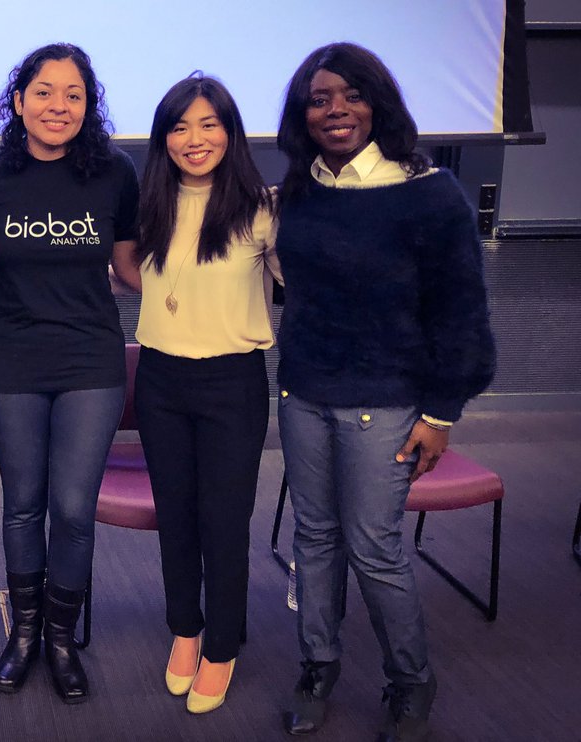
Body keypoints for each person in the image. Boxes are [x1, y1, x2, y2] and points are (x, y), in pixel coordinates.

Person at [273, 42, 496, 741]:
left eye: (352, 95)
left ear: (379, 103)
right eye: (319, 99)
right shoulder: (303, 188)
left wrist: (441, 413)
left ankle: (410, 681)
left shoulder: (427, 193)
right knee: (314, 539)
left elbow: (460, 314)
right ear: (302, 113)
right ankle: (319, 663)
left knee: (374, 546)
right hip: (304, 392)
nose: (335, 110)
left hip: (387, 402)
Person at [0, 42, 139, 704]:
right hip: (11, 358)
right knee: (21, 505)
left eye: (73, 94)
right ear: (18, 102)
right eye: (43, 92)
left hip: (91, 359)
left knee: (71, 508)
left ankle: (61, 641)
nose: (57, 105)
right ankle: (24, 635)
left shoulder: (114, 173)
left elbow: (129, 266)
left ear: (88, 105)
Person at [111, 74, 279, 715]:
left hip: (232, 383)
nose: (194, 139)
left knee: (223, 519)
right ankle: (185, 628)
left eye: (209, 124)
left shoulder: (262, 208)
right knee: (175, 515)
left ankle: (223, 645)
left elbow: (303, 280)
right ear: (163, 140)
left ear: (231, 132)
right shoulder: (150, 203)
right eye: (179, 127)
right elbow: (131, 270)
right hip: (160, 380)